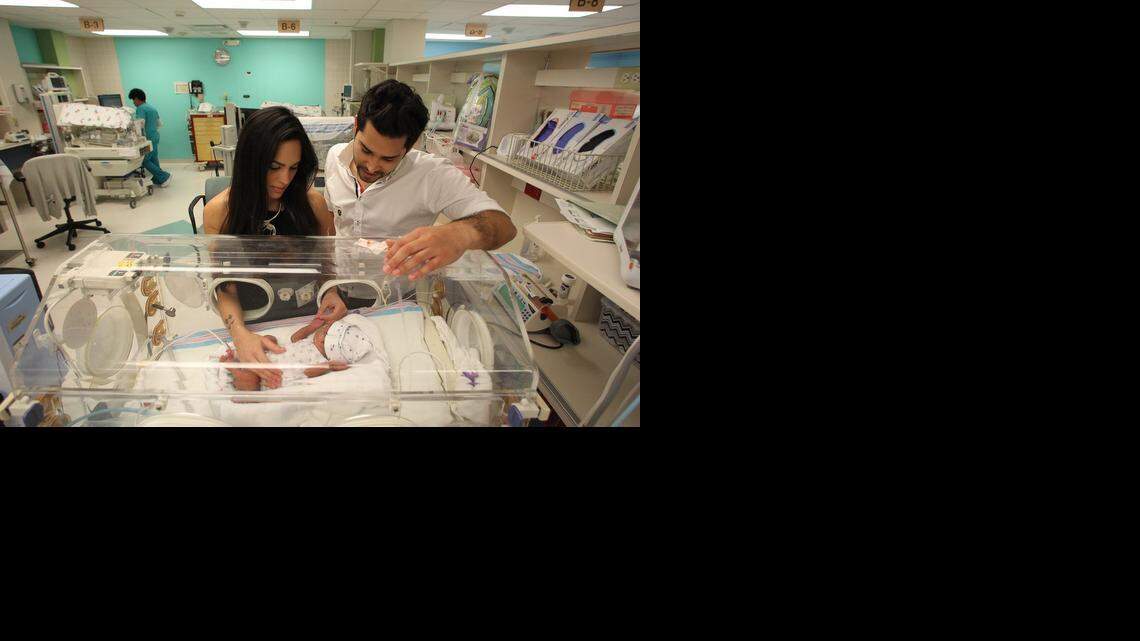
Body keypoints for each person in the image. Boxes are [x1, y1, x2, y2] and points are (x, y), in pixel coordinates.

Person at [318, 79, 516, 323]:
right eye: (366, 150)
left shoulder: (431, 175)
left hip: (395, 299)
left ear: (410, 146)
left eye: (388, 159)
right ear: (356, 126)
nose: (371, 166)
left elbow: (504, 225)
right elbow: (330, 225)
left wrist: (458, 234)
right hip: (339, 288)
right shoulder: (334, 157)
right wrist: (329, 286)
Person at [202, 106, 338, 389]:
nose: (284, 180)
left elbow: (327, 264)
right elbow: (224, 286)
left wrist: (332, 293)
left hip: (306, 316)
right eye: (274, 167)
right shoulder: (221, 212)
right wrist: (239, 333)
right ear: (251, 163)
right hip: (253, 320)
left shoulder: (312, 204)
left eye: (294, 167)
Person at [220, 316, 372, 391]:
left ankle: (236, 369)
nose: (323, 327)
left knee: (252, 380)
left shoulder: (319, 360)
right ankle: (240, 356)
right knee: (269, 339)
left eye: (325, 330)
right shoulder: (309, 343)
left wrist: (328, 367)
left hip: (272, 375)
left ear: (327, 341)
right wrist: (311, 327)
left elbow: (307, 372)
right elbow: (295, 338)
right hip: (270, 355)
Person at [128, 88, 171, 188]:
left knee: (144, 160)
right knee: (153, 158)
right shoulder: (152, 108)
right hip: (155, 136)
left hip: (148, 139)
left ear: (138, 98)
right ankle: (158, 178)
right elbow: (159, 124)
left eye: (133, 100)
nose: (133, 103)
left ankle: (164, 176)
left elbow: (139, 125)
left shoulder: (141, 109)